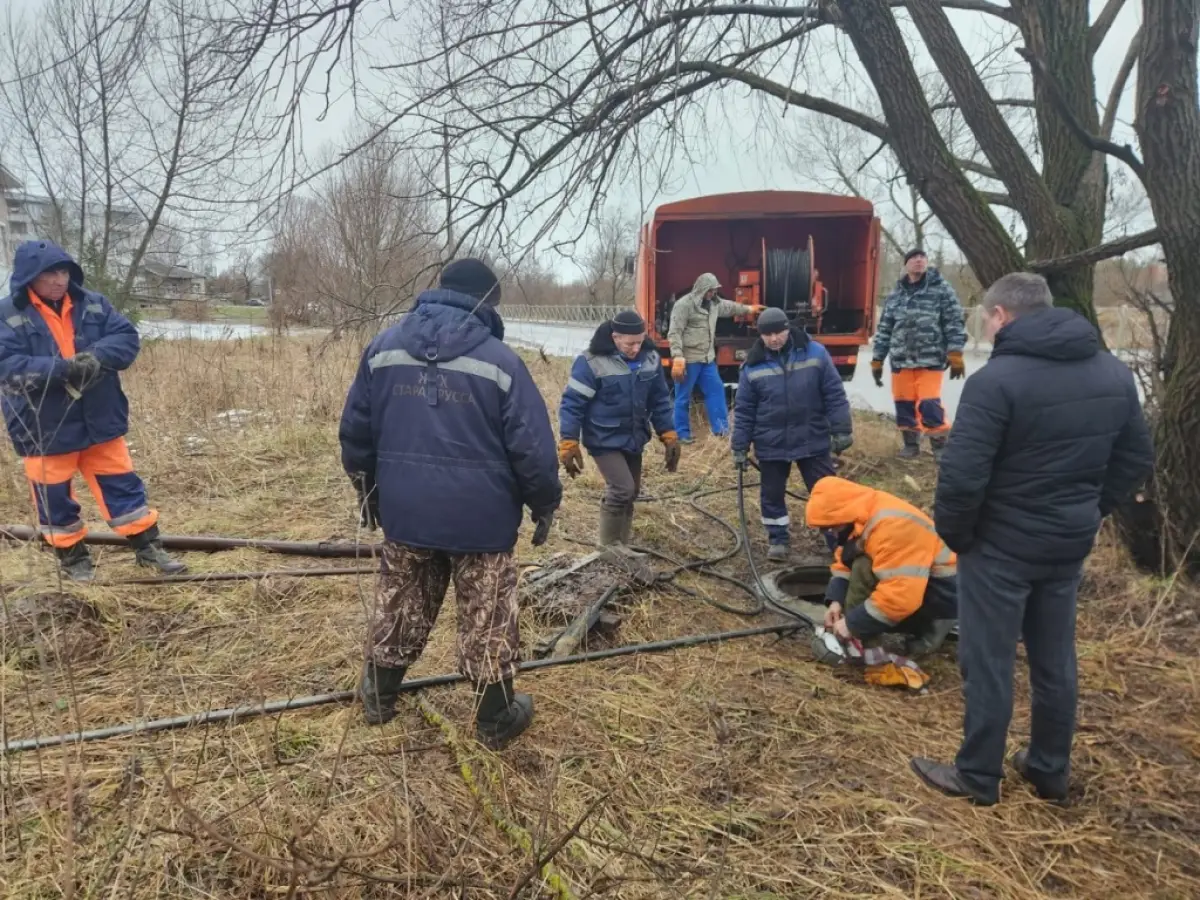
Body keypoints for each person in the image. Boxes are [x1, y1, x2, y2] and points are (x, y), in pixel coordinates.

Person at [912, 273, 1154, 806]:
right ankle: (1048, 768)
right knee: (1054, 659)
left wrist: (959, 537)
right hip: (1066, 543)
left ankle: (977, 774)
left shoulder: (995, 382)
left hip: (1000, 547)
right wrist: (1091, 510)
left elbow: (963, 477)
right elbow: (1137, 457)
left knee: (990, 660)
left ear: (1000, 316)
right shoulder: (1113, 373)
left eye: (985, 316)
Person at [339, 257, 562, 749]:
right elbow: (532, 448)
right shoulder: (501, 362)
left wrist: (367, 489)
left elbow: (356, 431)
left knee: (401, 598)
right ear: (489, 301)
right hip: (480, 520)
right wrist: (544, 503)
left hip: (406, 510)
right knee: (487, 612)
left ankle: (378, 696)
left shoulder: (383, 348)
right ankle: (496, 717)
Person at [0, 239, 186, 581]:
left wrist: (95, 358)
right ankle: (73, 561)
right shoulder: (7, 315)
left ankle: (149, 548)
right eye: (49, 274)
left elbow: (125, 339)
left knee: (123, 486)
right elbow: (7, 367)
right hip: (42, 425)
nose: (59, 280)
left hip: (99, 417)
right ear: (29, 278)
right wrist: (65, 369)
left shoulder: (94, 304)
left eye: (63, 272)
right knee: (53, 497)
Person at [731, 307, 852, 561]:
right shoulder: (751, 366)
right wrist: (739, 446)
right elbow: (744, 411)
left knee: (827, 492)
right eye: (768, 334)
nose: (774, 339)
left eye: (778, 332)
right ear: (760, 335)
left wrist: (841, 429)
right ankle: (778, 540)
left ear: (788, 329)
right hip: (771, 442)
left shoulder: (816, 353)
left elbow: (834, 393)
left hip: (812, 438)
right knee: (772, 494)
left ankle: (838, 540)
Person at [558, 310, 679, 546]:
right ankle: (608, 548)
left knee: (631, 493)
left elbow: (660, 400)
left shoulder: (650, 359)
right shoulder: (591, 362)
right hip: (603, 438)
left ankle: (622, 545)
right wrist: (568, 440)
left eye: (640, 341)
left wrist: (668, 433)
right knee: (622, 489)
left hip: (633, 437)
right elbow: (572, 404)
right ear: (615, 338)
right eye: (629, 343)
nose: (635, 348)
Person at [805, 476, 957, 657]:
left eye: (829, 527)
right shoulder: (860, 517)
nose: (828, 532)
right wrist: (835, 601)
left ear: (842, 514)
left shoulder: (893, 528)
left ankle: (936, 622)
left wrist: (852, 624)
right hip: (921, 583)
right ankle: (865, 642)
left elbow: (902, 596)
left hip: (948, 591)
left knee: (876, 596)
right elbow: (845, 562)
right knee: (861, 565)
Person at [870, 250, 967, 461]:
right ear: (906, 264)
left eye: (922, 257)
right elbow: (885, 328)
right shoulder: (896, 295)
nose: (919, 260)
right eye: (914, 258)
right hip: (900, 361)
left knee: (928, 403)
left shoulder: (941, 290)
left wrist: (956, 354)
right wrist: (877, 360)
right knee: (904, 403)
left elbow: (954, 323)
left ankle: (940, 447)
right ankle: (910, 445)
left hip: (930, 360)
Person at [667, 272, 763, 441]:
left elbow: (731, 307)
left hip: (707, 360)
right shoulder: (683, 305)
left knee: (716, 390)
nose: (713, 294)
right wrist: (677, 356)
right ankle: (681, 434)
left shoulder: (714, 304)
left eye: (714, 290)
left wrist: (749, 309)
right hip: (689, 360)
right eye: (710, 290)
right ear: (701, 289)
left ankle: (721, 430)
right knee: (682, 396)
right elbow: (675, 332)